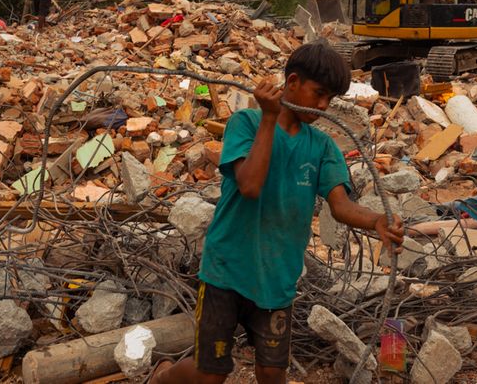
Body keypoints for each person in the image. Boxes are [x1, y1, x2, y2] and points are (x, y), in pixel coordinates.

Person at [152, 42, 405, 384]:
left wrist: (376, 221)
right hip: (226, 271)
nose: (322, 105)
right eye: (318, 93)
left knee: (272, 373)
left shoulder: (322, 146)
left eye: (329, 98)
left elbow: (340, 205)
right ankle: (162, 376)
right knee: (209, 373)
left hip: (277, 278)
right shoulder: (246, 123)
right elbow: (250, 186)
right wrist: (269, 118)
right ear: (293, 81)